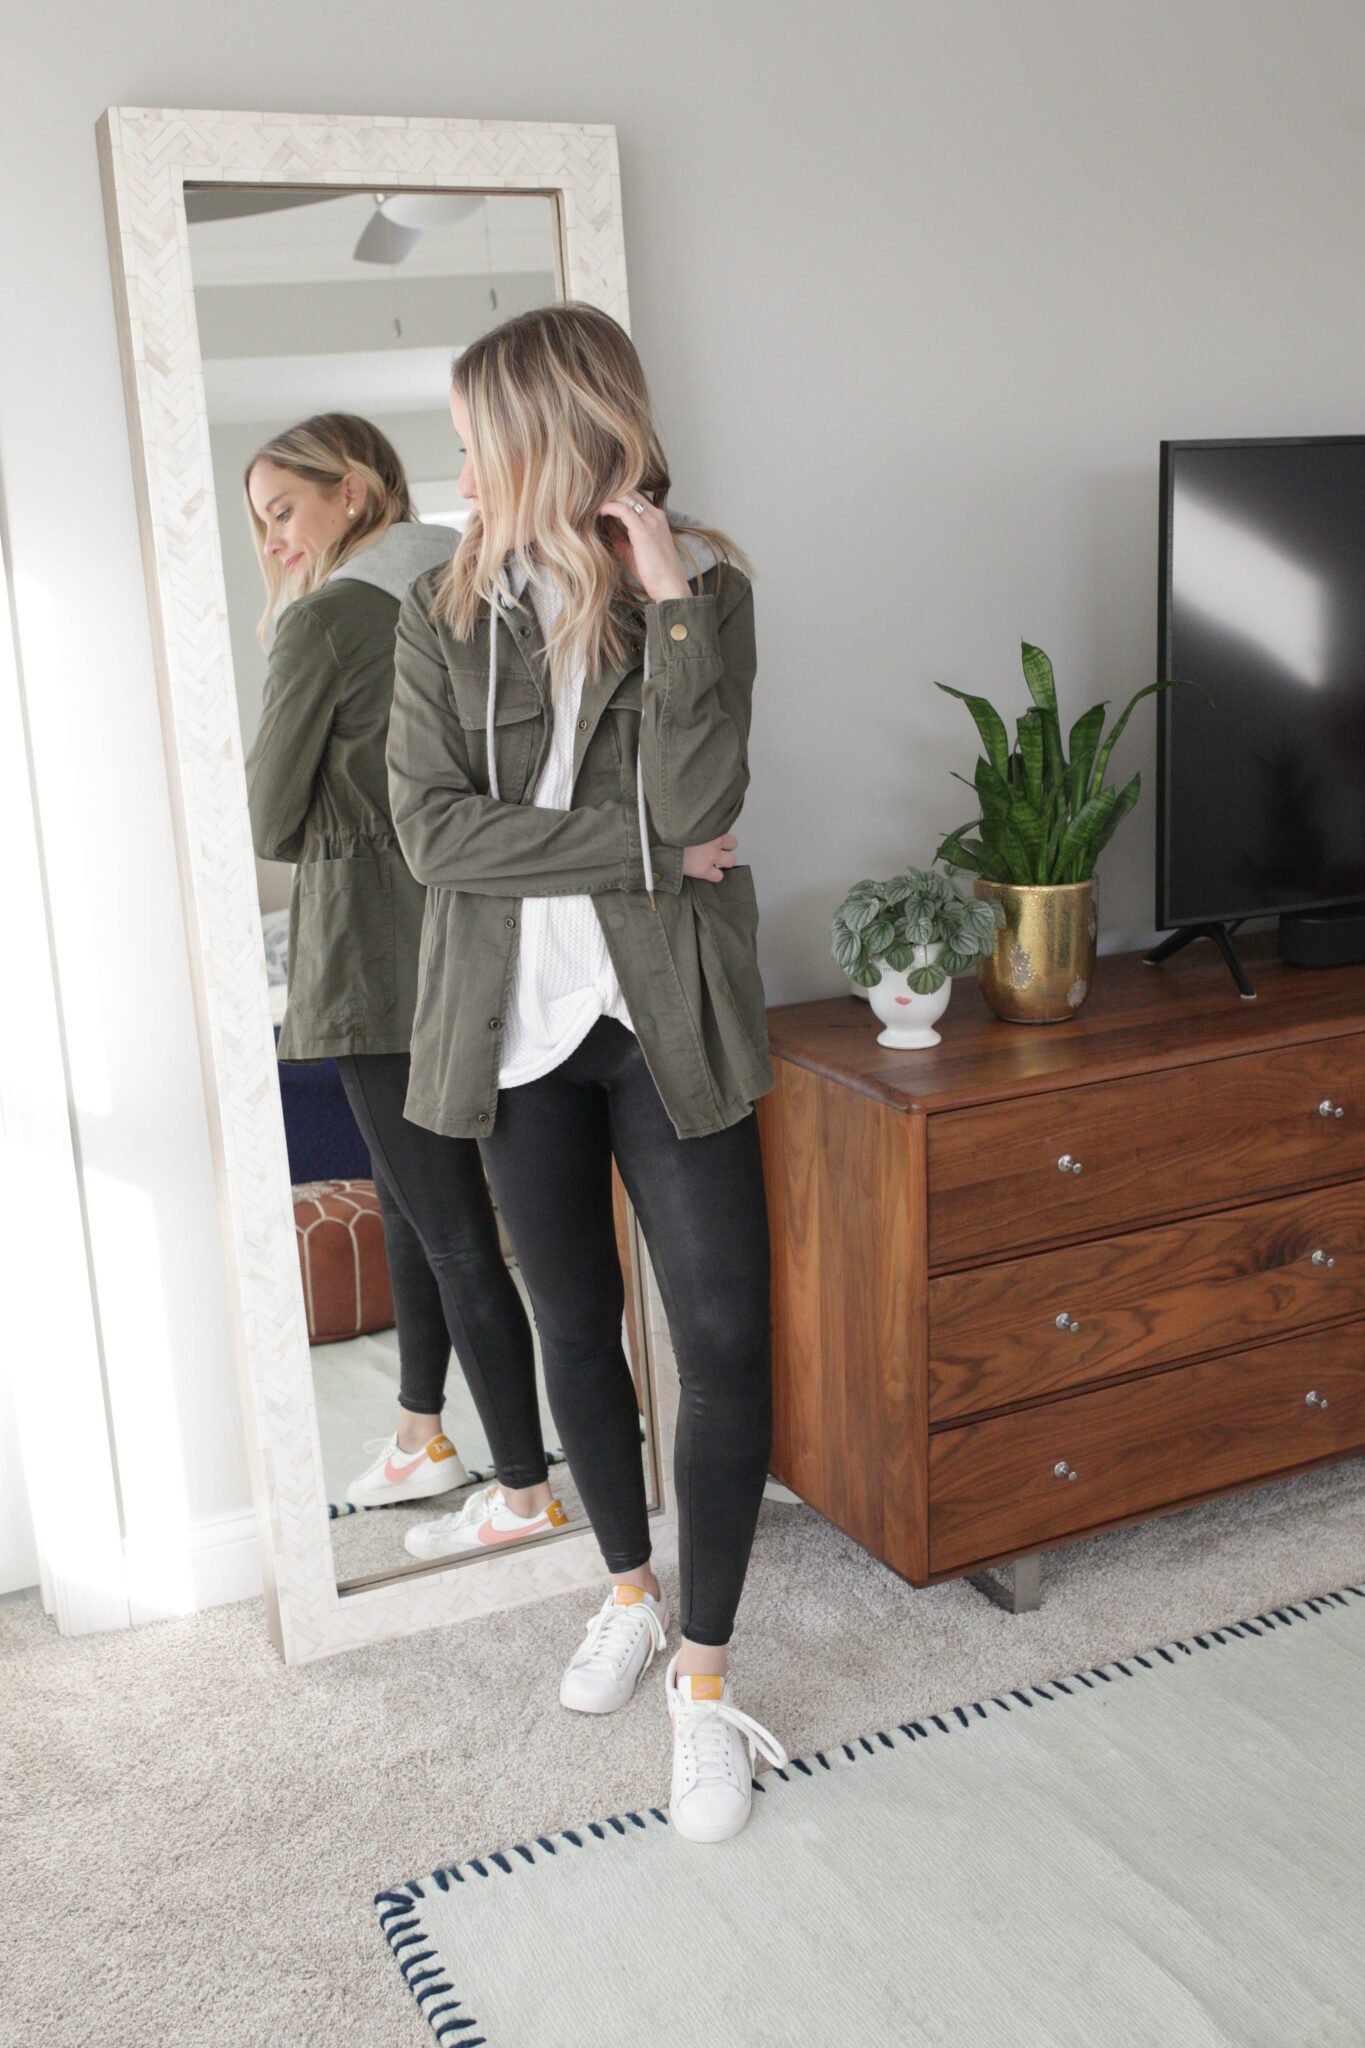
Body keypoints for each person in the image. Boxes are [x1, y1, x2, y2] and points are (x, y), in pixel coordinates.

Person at [386, 304, 788, 1843]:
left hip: (665, 1018)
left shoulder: (709, 588)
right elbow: (436, 838)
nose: (459, 463)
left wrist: (671, 596)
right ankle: (626, 1588)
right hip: (510, 1028)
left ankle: (702, 1677)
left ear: (545, 429)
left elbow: (707, 791)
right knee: (573, 1322)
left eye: (474, 432)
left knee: (725, 1336)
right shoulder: (440, 609)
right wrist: (640, 855)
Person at [243, 413, 562, 1541]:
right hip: (481, 931)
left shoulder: (326, 618)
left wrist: (358, 804)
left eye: (285, 509)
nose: (274, 539)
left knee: (448, 1226)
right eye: (260, 521)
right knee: (435, 1213)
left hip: (373, 955)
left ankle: (521, 1483)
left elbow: (270, 816)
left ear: (356, 489)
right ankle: (423, 1434)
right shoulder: (473, 580)